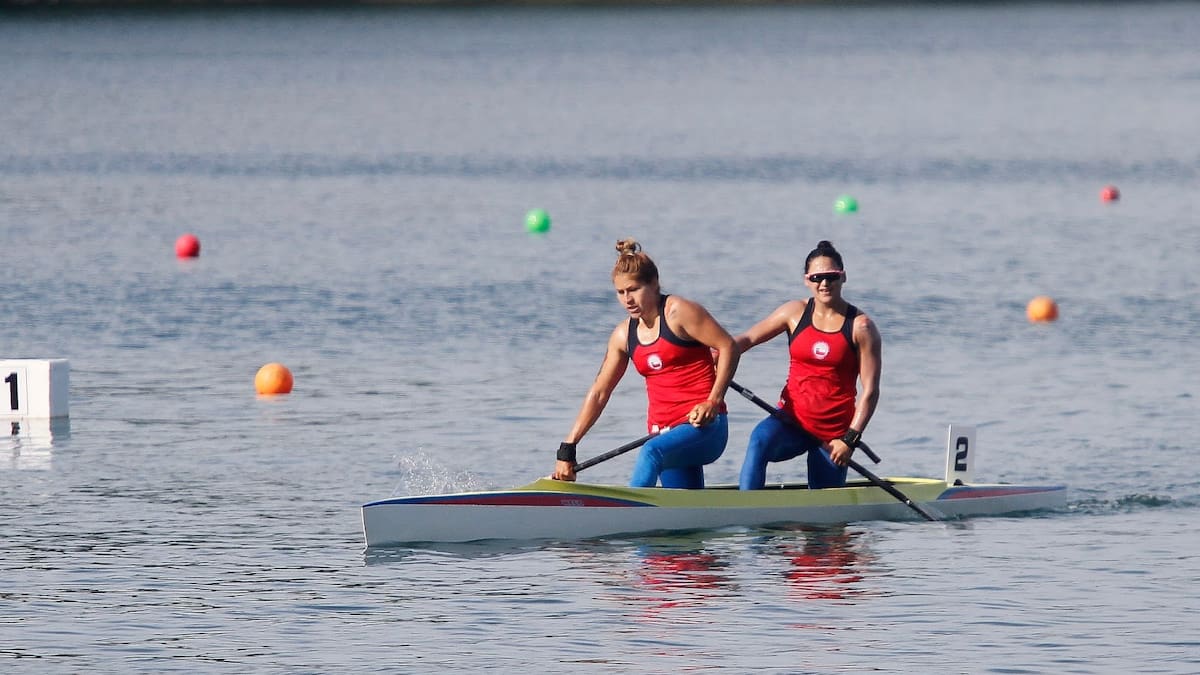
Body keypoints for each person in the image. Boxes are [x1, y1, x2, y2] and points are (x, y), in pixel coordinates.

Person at [552, 238, 739, 489]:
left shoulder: (679, 312)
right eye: (621, 292)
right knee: (682, 516)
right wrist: (568, 447)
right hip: (662, 431)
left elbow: (728, 346)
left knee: (650, 453)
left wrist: (713, 401)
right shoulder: (622, 335)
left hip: (704, 429)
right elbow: (599, 392)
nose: (627, 299)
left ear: (654, 284)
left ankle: (628, 520)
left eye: (634, 289)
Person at [734, 240, 881, 490]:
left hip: (834, 435)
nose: (824, 283)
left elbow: (870, 391)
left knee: (827, 527)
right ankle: (746, 510)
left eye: (831, 276)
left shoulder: (861, 327)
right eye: (817, 277)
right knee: (759, 440)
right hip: (791, 422)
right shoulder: (793, 312)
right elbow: (746, 340)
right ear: (807, 280)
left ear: (843, 277)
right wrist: (714, 354)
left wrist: (850, 439)